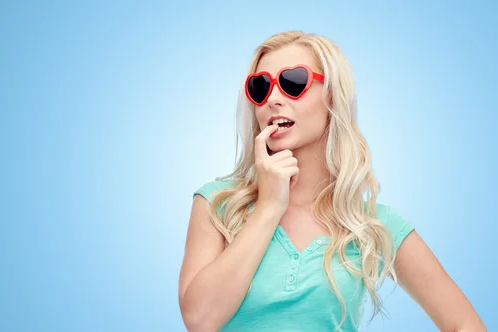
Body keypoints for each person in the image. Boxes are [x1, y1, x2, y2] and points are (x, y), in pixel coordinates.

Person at [177, 31, 486, 332]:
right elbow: (200, 320)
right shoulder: (216, 204)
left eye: (292, 82)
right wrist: (269, 207)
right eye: (260, 87)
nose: (272, 99)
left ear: (334, 97)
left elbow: (463, 324)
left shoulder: (373, 225)